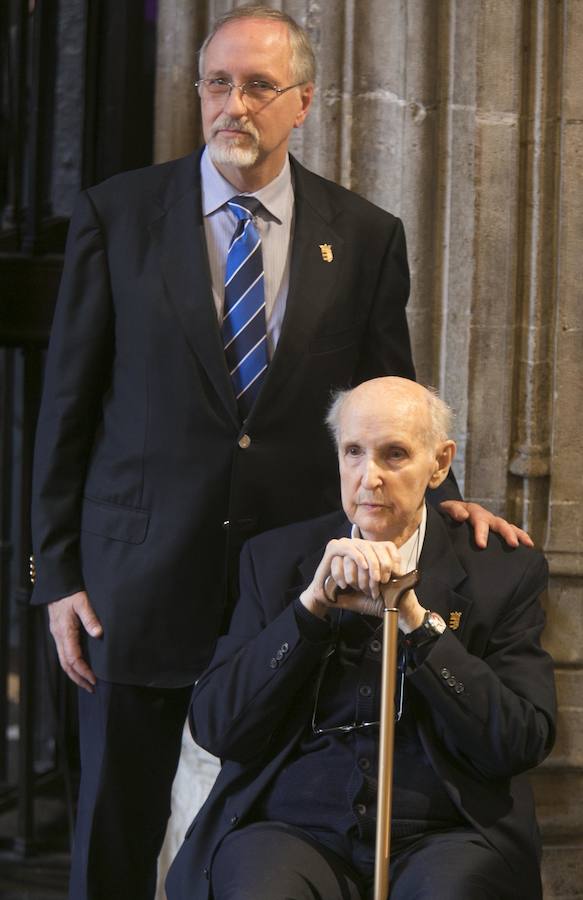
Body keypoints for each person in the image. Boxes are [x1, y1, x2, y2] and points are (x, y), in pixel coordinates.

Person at [30, 6, 531, 899]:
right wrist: (55, 571)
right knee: (115, 826)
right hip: (135, 582)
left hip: (293, 587)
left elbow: (393, 406)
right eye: (217, 84)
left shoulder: (365, 235)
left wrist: (453, 503)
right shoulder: (119, 214)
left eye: (259, 86)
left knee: (263, 823)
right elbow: (66, 408)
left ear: (303, 101)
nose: (234, 106)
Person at [166, 376, 556, 900]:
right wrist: (308, 612)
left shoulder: (502, 570)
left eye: (394, 454)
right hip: (293, 828)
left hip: (447, 833)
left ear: (439, 464)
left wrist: (419, 625)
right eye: (354, 452)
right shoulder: (275, 559)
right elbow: (217, 725)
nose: (369, 477)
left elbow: (520, 740)